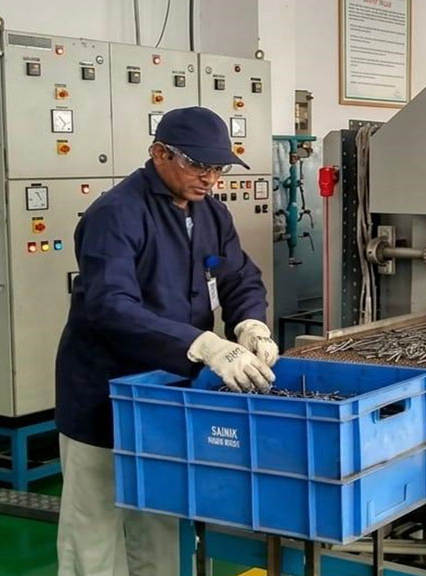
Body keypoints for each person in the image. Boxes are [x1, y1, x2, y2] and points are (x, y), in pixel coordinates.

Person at [54, 106, 278, 576]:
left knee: (161, 518)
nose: (210, 179)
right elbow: (111, 306)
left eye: (218, 169)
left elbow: (239, 277)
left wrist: (249, 324)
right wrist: (204, 345)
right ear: (159, 153)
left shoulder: (211, 213)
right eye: (198, 166)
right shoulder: (115, 214)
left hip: (167, 393)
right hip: (104, 392)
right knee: (94, 527)